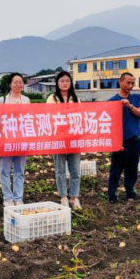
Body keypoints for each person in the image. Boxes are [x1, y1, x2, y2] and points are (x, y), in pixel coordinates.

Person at [108, 72, 140, 204]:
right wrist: (114, 141)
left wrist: (129, 106)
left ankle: (130, 191)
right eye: (128, 82)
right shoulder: (112, 101)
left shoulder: (137, 97)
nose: (130, 85)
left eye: (132, 83)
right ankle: (112, 194)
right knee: (116, 168)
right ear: (120, 82)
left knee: (132, 168)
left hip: (134, 139)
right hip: (120, 141)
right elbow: (109, 124)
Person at [46, 71, 82, 208]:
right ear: (57, 83)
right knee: (60, 170)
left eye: (67, 81)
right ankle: (63, 196)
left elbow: (81, 116)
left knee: (75, 170)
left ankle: (74, 196)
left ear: (71, 83)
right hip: (58, 138)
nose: (65, 83)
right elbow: (49, 116)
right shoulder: (52, 98)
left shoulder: (76, 98)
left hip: (74, 138)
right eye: (62, 81)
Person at [0, 73, 29, 207]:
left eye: (20, 82)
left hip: (21, 140)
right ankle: (8, 198)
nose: (18, 85)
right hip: (7, 140)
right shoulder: (2, 100)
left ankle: (18, 197)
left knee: (19, 171)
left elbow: (29, 119)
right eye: (15, 82)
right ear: (10, 84)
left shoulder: (26, 100)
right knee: (4, 170)